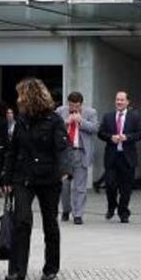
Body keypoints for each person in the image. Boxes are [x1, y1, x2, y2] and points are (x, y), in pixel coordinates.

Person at [1, 78, 68, 280]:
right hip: (24, 176)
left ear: (30, 96)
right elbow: (13, 150)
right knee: (21, 220)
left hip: (49, 177)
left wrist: (64, 170)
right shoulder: (21, 119)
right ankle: (17, 270)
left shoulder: (55, 120)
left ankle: (51, 267)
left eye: (21, 94)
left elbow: (62, 148)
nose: (18, 99)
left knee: (50, 223)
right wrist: (7, 177)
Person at [97, 90, 141, 223]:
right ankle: (112, 206)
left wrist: (127, 137)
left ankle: (124, 212)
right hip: (112, 156)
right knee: (110, 185)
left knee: (126, 188)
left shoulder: (134, 117)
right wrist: (111, 137)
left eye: (122, 100)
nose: (119, 102)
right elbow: (100, 133)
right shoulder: (108, 116)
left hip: (127, 157)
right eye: (117, 99)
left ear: (127, 102)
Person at [56, 91, 98, 224]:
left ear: (81, 104)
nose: (74, 109)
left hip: (80, 152)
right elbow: (53, 127)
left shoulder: (90, 112)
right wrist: (65, 122)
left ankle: (78, 214)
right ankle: (66, 210)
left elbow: (95, 128)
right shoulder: (60, 111)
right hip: (65, 153)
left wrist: (82, 121)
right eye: (71, 106)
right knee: (64, 185)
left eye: (77, 106)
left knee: (79, 186)